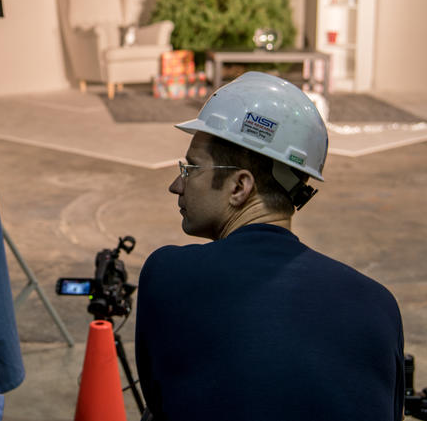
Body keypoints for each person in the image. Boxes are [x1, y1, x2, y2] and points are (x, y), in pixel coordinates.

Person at [134, 72, 404, 421]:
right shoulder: (379, 304)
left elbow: (162, 403)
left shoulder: (168, 274)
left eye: (191, 168)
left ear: (239, 187)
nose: (176, 185)